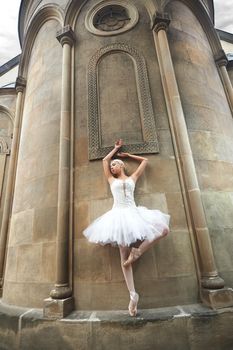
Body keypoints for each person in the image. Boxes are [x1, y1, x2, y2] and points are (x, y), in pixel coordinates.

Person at [83, 139, 170, 317]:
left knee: (163, 229)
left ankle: (138, 251)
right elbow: (104, 161)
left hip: (134, 212)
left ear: (121, 166)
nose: (113, 167)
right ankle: (133, 295)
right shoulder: (110, 179)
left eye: (115, 164)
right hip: (118, 216)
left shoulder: (133, 178)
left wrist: (128, 155)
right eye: (113, 165)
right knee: (123, 258)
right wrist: (114, 149)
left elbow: (145, 161)